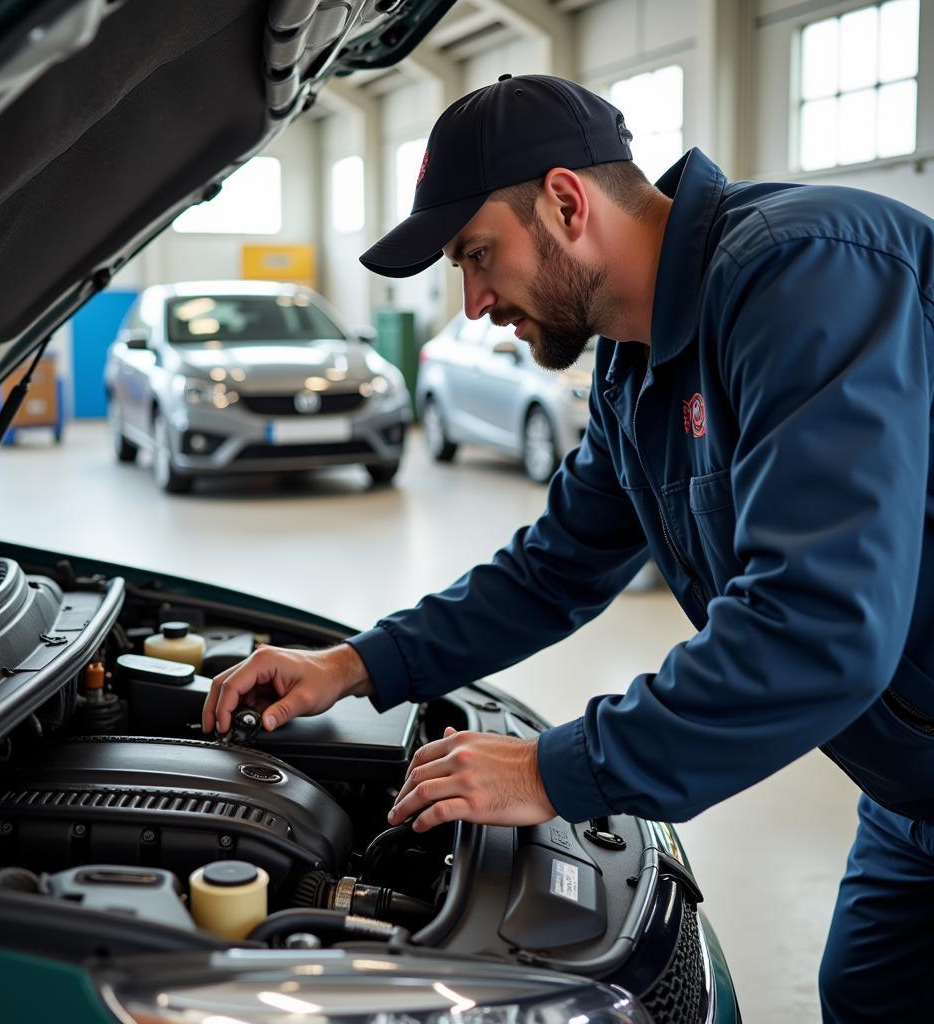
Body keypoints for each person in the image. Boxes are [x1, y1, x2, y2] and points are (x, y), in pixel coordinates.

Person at [203, 75, 934, 1021]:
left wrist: (553, 771)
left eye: (477, 255)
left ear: (564, 201)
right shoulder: (635, 369)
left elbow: (819, 630)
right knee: (871, 995)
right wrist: (352, 665)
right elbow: (554, 568)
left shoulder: (807, 275)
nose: (471, 302)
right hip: (907, 795)